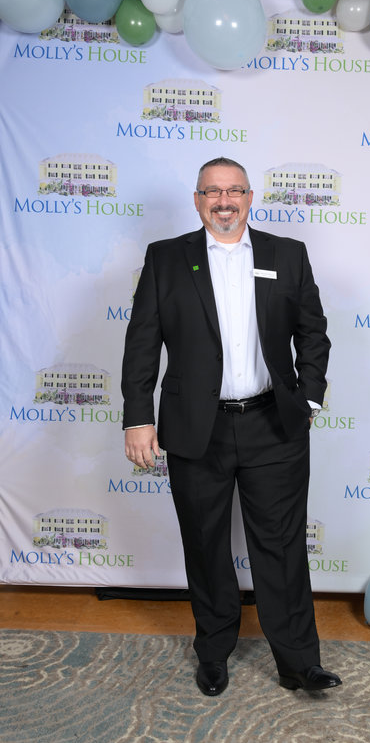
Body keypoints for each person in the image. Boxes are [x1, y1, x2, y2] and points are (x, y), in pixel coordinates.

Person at [121, 156, 341, 696]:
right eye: (213, 192)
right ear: (198, 201)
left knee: (282, 546)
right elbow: (142, 343)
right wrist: (138, 417)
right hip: (197, 428)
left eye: (235, 191)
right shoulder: (166, 258)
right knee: (205, 543)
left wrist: (309, 398)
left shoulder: (287, 254)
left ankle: (299, 664)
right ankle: (214, 652)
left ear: (250, 197)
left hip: (273, 424)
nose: (224, 201)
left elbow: (313, 332)